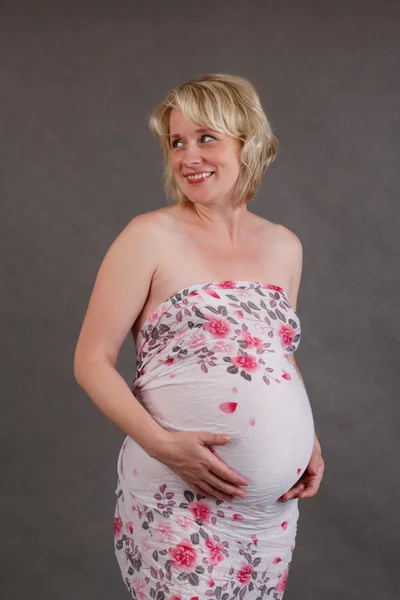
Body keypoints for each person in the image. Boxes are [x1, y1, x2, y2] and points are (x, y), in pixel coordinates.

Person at [74, 73, 324, 600]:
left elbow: (273, 352)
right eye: (176, 142)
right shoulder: (149, 235)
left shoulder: (284, 246)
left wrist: (308, 441)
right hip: (177, 498)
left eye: (206, 137)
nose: (189, 156)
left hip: (269, 515)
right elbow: (92, 360)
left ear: (247, 141)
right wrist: (164, 445)